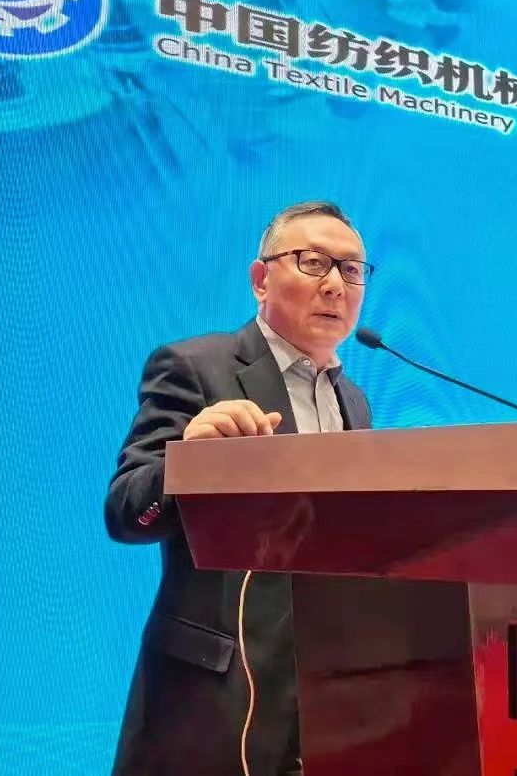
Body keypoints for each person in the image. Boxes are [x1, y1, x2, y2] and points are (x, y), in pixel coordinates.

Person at [105, 201, 374, 775]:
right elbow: (126, 513)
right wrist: (188, 463)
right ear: (260, 279)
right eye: (313, 262)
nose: (335, 285)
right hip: (214, 697)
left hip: (322, 698)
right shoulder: (195, 367)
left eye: (351, 270)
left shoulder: (353, 401)